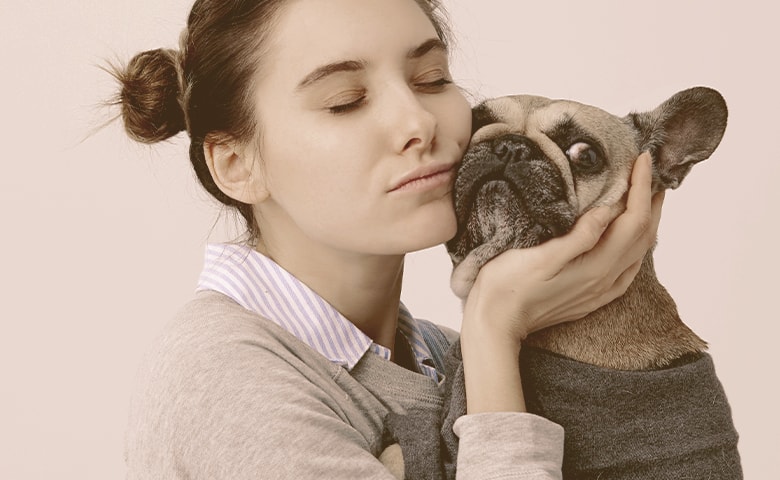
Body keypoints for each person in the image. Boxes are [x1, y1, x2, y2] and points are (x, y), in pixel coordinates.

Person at [114, 0, 663, 478]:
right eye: (346, 99)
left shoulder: (445, 353)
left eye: (431, 79)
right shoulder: (222, 384)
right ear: (236, 165)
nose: (418, 121)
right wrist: (495, 328)